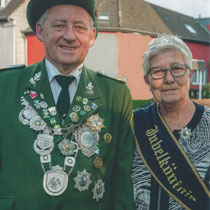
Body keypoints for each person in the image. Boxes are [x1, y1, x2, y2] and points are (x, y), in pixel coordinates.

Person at [0, 0, 135, 209]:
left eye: (79, 27)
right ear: (40, 31)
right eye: (59, 25)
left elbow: (123, 178)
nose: (70, 36)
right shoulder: (5, 86)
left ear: (92, 36)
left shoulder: (115, 95)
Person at [132, 34, 210, 210]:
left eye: (177, 68)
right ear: (148, 81)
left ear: (190, 74)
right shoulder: (134, 123)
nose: (168, 79)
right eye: (158, 71)